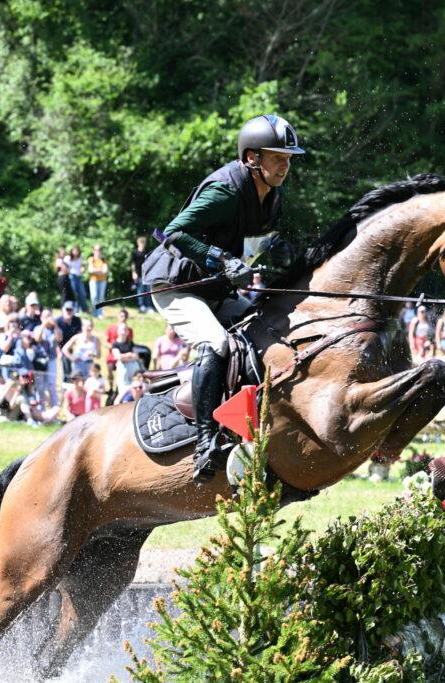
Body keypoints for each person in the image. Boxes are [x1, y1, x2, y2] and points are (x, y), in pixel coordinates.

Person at [142, 114, 303, 480]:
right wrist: (223, 260)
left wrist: (279, 253)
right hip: (177, 287)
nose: (285, 165)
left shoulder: (271, 196)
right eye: (278, 157)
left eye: (289, 158)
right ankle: (204, 443)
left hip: (215, 290)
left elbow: (255, 243)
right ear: (251, 158)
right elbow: (175, 231)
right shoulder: (226, 190)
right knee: (215, 344)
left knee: (265, 333)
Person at [55, 301, 83, 380]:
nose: (69, 312)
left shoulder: (77, 320)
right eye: (67, 309)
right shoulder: (58, 321)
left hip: (73, 346)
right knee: (65, 360)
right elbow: (55, 340)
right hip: (60, 347)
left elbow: (80, 335)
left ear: (74, 310)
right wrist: (58, 352)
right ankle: (67, 381)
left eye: (70, 310)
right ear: (63, 310)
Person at [87, 245, 109, 316]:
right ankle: (94, 313)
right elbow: (90, 270)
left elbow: (105, 270)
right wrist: (100, 270)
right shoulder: (91, 259)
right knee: (94, 297)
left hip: (102, 280)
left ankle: (99, 313)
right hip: (93, 280)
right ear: (93, 251)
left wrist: (95, 270)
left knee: (101, 297)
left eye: (99, 250)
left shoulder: (103, 260)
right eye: (96, 250)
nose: (97, 251)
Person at [131, 235, 150, 314]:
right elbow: (132, 264)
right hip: (138, 274)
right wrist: (133, 273)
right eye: (141, 243)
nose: (142, 244)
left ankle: (148, 306)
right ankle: (141, 306)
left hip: (147, 274)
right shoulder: (135, 253)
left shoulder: (147, 252)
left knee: (148, 291)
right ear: (138, 243)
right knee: (140, 291)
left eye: (143, 243)